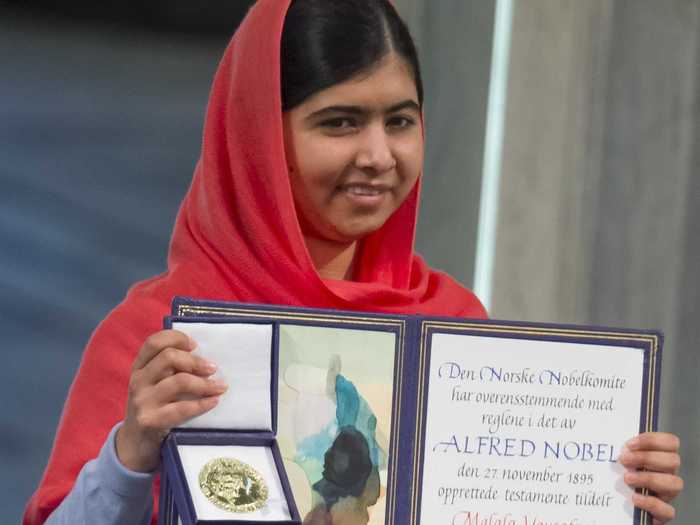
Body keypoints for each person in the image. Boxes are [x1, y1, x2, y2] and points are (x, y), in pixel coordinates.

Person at [24, 0, 683, 524]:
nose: (379, 154)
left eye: (400, 121)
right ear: (259, 137)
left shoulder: (452, 321)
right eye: (340, 122)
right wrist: (130, 455)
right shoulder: (161, 342)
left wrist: (610, 492)